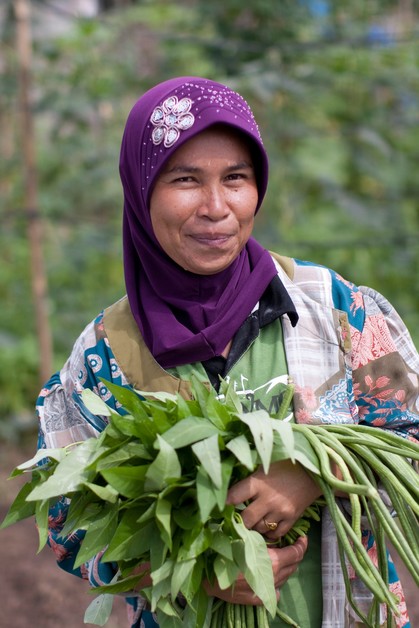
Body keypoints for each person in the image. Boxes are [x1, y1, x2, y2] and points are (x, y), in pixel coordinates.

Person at [36, 76, 419, 628]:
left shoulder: (337, 312)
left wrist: (316, 471)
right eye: (186, 179)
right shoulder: (104, 355)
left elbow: (410, 434)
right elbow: (66, 524)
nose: (216, 207)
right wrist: (193, 558)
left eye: (235, 178)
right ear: (141, 192)